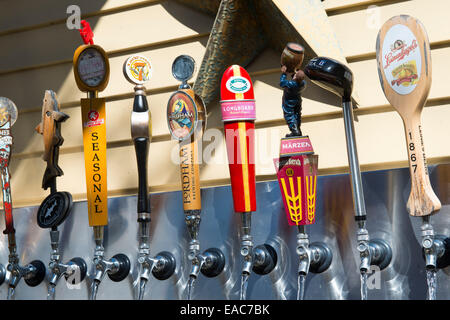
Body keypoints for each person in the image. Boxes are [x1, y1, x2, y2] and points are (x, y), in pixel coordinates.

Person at [280, 65, 306, 137]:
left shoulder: (291, 84)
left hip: (289, 102)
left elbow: (282, 83)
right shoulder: (303, 83)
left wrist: (284, 74)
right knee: (297, 114)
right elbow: (297, 78)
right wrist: (296, 72)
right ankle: (298, 130)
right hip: (297, 101)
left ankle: (295, 130)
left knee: (289, 115)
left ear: (295, 77)